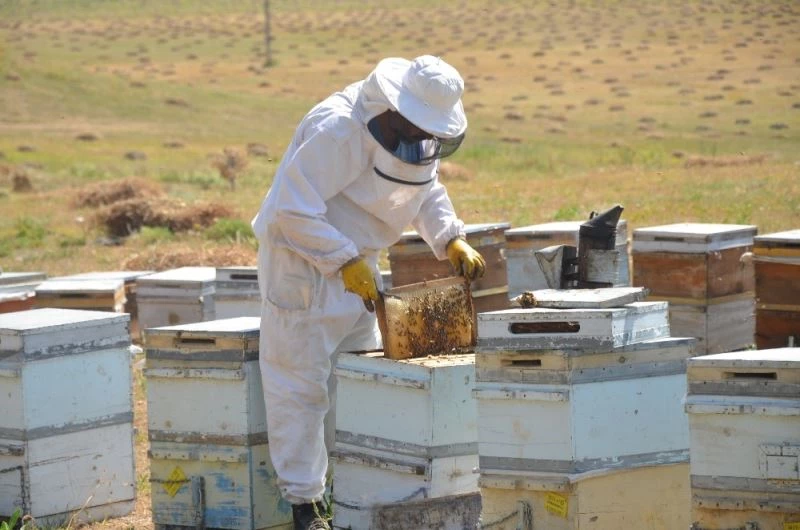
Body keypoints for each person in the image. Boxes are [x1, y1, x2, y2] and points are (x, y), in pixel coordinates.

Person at [251, 55, 486, 530]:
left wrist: (449, 237)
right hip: (303, 268)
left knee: (356, 385)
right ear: (395, 106)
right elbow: (289, 212)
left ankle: (350, 495)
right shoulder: (338, 129)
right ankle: (306, 508)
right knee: (300, 389)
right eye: (418, 127)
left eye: (430, 131)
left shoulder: (411, 134)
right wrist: (341, 261)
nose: (422, 138)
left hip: (358, 268)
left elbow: (424, 188)